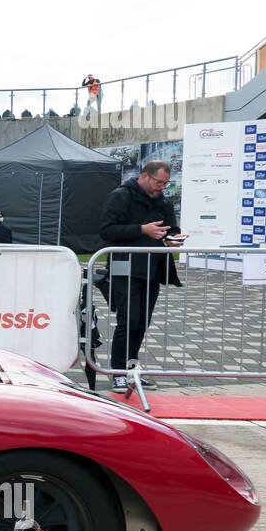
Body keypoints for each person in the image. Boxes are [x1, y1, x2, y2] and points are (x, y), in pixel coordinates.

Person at [99, 160, 183, 391]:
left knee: (141, 323)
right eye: (159, 182)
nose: (162, 187)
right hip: (125, 268)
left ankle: (131, 369)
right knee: (128, 321)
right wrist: (141, 229)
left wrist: (173, 238)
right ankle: (117, 373)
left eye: (166, 183)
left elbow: (170, 228)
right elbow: (106, 230)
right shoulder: (121, 196)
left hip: (152, 269)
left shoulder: (163, 201)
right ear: (145, 176)